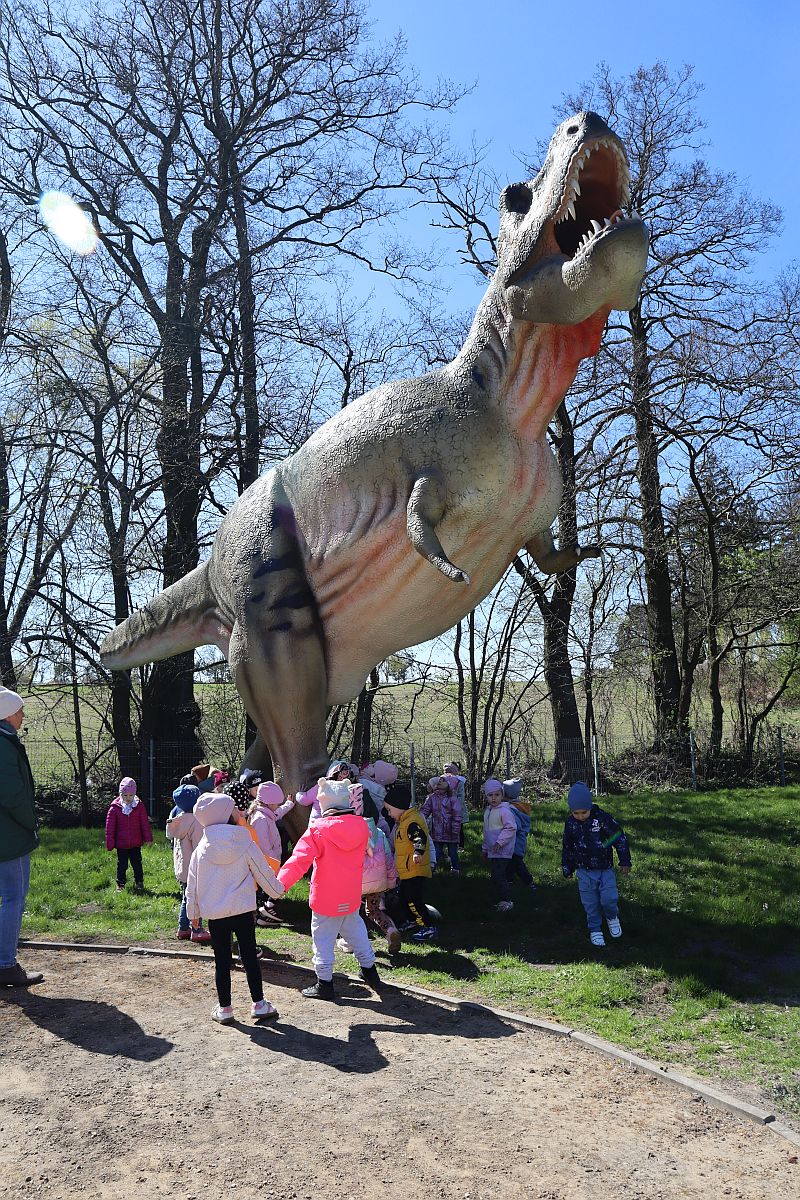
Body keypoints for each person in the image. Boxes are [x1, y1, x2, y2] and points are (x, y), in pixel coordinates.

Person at [278, 777, 382, 1001]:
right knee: (356, 931)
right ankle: (370, 971)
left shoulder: (317, 829)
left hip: (325, 897)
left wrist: (281, 883)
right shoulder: (362, 826)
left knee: (322, 940)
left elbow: (299, 860)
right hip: (350, 894)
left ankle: (324, 984)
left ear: (324, 803)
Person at [186, 792, 284, 1024]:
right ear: (226, 815)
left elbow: (192, 885)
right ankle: (259, 1004)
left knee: (222, 960)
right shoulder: (245, 842)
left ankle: (225, 1008)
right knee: (249, 956)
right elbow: (262, 870)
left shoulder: (200, 850)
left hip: (216, 915)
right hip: (243, 910)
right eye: (233, 809)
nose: (239, 811)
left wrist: (193, 914)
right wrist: (277, 891)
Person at [0, 688, 44, 987]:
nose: (23, 716)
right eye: (19, 711)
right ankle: (5, 964)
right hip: (9, 836)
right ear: (7, 714)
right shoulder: (3, 745)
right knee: (13, 897)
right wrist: (31, 823)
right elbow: (12, 795)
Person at [561, 781, 631, 947]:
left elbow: (618, 837)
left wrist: (624, 860)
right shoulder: (571, 823)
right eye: (575, 813)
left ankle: (612, 917)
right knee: (590, 903)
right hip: (584, 870)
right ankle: (595, 928)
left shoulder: (601, 819)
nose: (580, 816)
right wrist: (567, 866)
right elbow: (567, 845)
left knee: (609, 899)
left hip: (605, 869)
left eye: (584, 812)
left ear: (590, 806)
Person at [383, 781, 436, 942]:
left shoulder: (412, 821)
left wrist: (418, 852)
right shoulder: (403, 822)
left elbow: (419, 837)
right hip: (407, 870)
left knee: (413, 900)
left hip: (415, 869)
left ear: (399, 806)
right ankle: (413, 921)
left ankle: (427, 926)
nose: (389, 814)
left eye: (390, 810)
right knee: (404, 897)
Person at [166, 781, 210, 943]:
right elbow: (200, 847)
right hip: (194, 868)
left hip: (182, 868)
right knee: (194, 899)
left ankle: (183, 928)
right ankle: (197, 929)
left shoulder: (178, 821)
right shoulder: (195, 822)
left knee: (186, 896)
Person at [249, 781, 295, 926]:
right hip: (267, 863)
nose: (277, 805)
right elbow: (263, 846)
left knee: (270, 888)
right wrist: (274, 863)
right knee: (270, 887)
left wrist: (289, 804)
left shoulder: (265, 813)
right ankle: (264, 913)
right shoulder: (261, 819)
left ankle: (265, 912)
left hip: (269, 862)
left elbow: (277, 813)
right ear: (269, 803)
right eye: (276, 803)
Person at [105, 776, 153, 893]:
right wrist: (110, 843)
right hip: (121, 844)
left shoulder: (139, 806)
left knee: (137, 863)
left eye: (131, 795)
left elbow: (144, 824)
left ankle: (139, 881)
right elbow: (110, 828)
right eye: (125, 795)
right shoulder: (115, 808)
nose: (128, 798)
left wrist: (148, 838)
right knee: (122, 865)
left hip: (135, 842)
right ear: (120, 794)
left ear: (134, 794)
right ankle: (120, 884)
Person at [482, 778, 517, 912]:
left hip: (503, 850)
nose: (494, 798)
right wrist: (485, 849)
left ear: (502, 795)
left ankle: (507, 901)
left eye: (497, 794)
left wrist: (499, 843)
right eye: (490, 795)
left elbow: (511, 828)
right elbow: (486, 832)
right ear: (486, 796)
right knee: (496, 876)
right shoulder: (488, 811)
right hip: (493, 850)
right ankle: (500, 899)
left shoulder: (504, 811)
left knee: (499, 876)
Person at [421, 774, 463, 875]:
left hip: (451, 831)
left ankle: (455, 869)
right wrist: (420, 819)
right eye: (439, 780)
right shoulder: (431, 798)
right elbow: (425, 810)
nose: (440, 781)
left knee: (452, 852)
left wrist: (455, 829)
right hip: (437, 831)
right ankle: (432, 869)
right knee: (436, 852)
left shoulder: (452, 798)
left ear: (449, 784)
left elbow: (457, 815)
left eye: (443, 780)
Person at [504, 777, 536, 891]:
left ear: (506, 795)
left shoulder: (511, 809)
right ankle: (509, 881)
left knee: (516, 865)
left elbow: (514, 826)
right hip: (518, 842)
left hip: (514, 844)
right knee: (513, 864)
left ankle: (528, 882)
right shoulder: (519, 806)